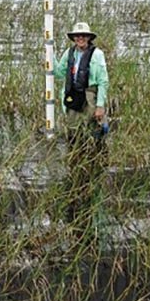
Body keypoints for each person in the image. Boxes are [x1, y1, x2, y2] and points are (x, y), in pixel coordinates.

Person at [53, 21, 110, 220]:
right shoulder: (69, 54)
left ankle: (97, 160)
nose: (80, 39)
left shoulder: (97, 54)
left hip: (90, 95)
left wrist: (100, 106)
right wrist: (48, 54)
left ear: (89, 38)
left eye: (83, 36)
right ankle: (76, 160)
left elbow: (103, 80)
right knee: (73, 133)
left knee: (94, 130)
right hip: (71, 97)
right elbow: (59, 72)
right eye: (77, 36)